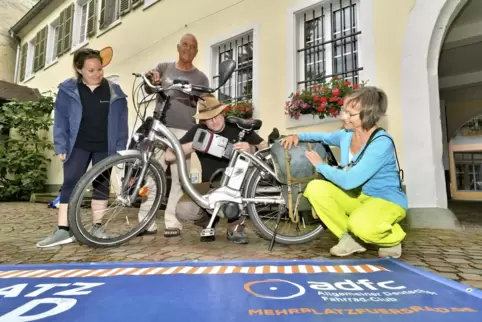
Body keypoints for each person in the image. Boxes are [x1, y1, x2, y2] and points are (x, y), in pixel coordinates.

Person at [281, 86, 407, 258]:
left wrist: (320, 165)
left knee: (360, 226)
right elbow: (322, 137)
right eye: (344, 111)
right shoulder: (346, 135)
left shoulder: (381, 143)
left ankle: (393, 237)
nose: (343, 116)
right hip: (359, 197)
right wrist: (297, 136)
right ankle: (348, 240)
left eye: (350, 114)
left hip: (386, 200)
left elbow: (349, 181)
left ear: (368, 114)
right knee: (315, 188)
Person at [36, 48, 129, 248]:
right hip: (77, 144)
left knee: (101, 185)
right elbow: (60, 120)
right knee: (70, 183)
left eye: (99, 69)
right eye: (91, 70)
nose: (97, 74)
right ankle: (63, 230)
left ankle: (97, 227)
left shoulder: (115, 92)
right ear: (79, 70)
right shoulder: (68, 90)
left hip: (105, 146)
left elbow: (122, 122)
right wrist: (60, 144)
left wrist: (121, 147)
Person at [164, 94, 268, 244]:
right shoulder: (198, 131)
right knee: (183, 209)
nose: (213, 121)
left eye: (216, 116)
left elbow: (265, 147)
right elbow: (168, 155)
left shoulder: (238, 127)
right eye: (208, 118)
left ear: (223, 114)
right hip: (210, 185)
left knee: (241, 185)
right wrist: (194, 145)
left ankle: (235, 226)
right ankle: (209, 221)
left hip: (236, 183)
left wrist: (250, 147)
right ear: (203, 121)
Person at [140, 33, 210, 238]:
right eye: (185, 45)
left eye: (193, 47)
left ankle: (172, 221)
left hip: (186, 133)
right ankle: (146, 221)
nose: (188, 49)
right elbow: (148, 87)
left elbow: (207, 105)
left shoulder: (201, 78)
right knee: (152, 175)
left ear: (196, 52)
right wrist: (149, 77)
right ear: (178, 47)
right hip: (162, 129)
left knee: (180, 180)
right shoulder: (164, 68)